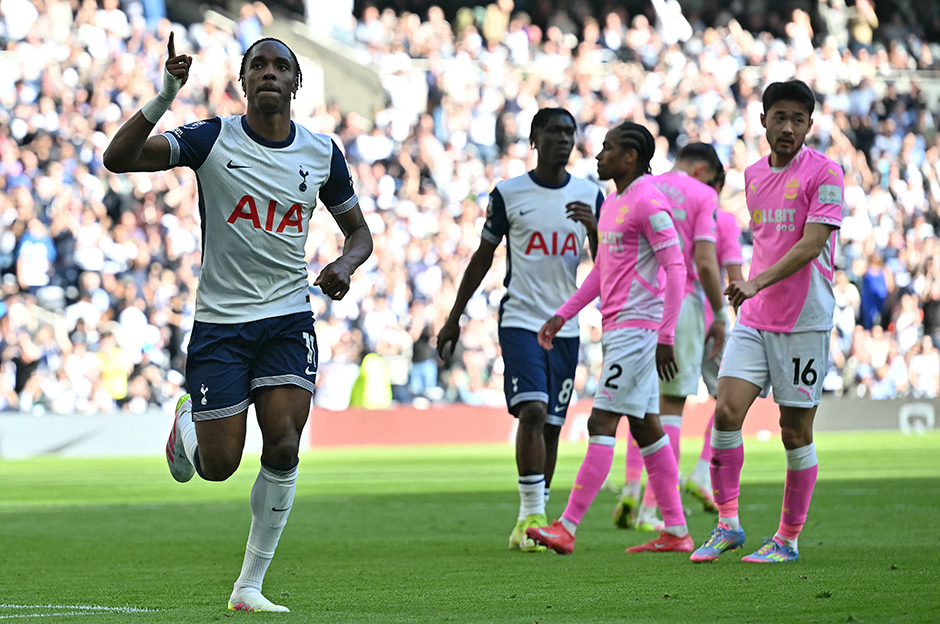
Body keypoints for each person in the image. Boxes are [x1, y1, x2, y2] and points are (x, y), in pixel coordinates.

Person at [103, 35, 373, 609]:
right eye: (258, 65)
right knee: (220, 467)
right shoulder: (211, 138)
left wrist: (344, 265)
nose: (269, 73)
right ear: (243, 81)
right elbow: (118, 158)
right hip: (221, 325)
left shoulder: (321, 153)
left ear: (295, 83)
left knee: (283, 441)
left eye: (281, 66)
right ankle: (190, 424)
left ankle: (249, 586)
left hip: (287, 319)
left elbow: (360, 234)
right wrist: (167, 92)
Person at [436, 108, 603, 553]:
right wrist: (454, 317)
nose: (563, 139)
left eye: (569, 132)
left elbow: (610, 264)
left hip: (565, 326)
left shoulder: (591, 195)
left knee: (551, 424)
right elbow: (483, 256)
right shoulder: (510, 193)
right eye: (553, 131)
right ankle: (532, 513)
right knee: (531, 410)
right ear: (534, 139)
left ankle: (531, 518)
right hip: (522, 320)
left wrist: (595, 229)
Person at [690, 79, 842, 563]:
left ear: (809, 126)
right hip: (756, 317)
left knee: (794, 432)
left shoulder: (826, 173)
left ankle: (787, 540)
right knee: (726, 412)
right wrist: (744, 284)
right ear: (763, 120)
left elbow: (811, 245)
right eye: (780, 117)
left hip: (804, 320)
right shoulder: (753, 174)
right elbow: (767, 242)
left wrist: (756, 282)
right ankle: (727, 523)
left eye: (799, 119)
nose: (788, 127)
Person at [527, 121, 692, 555]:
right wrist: (562, 315)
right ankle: (676, 530)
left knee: (601, 421)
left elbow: (675, 268)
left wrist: (666, 332)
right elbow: (602, 272)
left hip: (640, 329)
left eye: (607, 148)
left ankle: (567, 526)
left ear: (630, 156)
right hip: (619, 328)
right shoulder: (614, 202)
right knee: (645, 427)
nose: (598, 155)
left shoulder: (649, 201)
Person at [613, 142, 727, 531]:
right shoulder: (703, 195)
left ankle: (631, 487)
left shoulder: (643, 186)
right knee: (673, 407)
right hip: (682, 303)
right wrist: (721, 312)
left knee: (642, 405)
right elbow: (706, 261)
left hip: (637, 303)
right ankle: (653, 509)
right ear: (702, 170)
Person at [685, 168, 745, 511]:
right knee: (731, 398)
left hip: (668, 317)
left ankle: (641, 497)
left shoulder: (672, 212)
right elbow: (734, 277)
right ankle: (702, 475)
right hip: (710, 319)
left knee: (659, 406)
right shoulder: (722, 221)